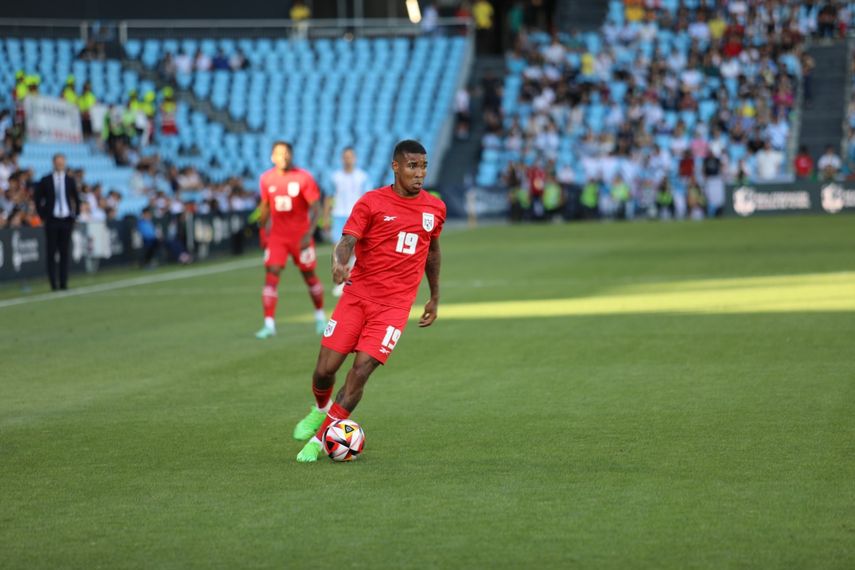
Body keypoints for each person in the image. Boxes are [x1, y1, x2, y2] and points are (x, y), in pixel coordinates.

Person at [293, 140, 445, 463]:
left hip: (393, 308)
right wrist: (338, 262)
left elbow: (432, 251)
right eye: (412, 166)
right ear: (395, 166)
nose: (419, 174)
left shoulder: (435, 208)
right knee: (324, 371)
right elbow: (348, 240)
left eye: (423, 166)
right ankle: (321, 410)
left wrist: (434, 294)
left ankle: (320, 441)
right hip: (358, 296)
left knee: (360, 371)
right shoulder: (372, 202)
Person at [255, 141, 326, 339]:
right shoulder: (266, 179)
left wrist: (309, 233)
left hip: (300, 236)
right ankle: (269, 324)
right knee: (272, 273)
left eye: (286, 153)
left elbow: (316, 207)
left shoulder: (303, 178)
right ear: (272, 157)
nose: (283, 157)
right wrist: (263, 232)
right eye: (279, 153)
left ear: (291, 155)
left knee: (309, 275)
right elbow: (265, 206)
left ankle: (320, 318)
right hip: (277, 236)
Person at [324, 147, 370, 297]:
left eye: (350, 156)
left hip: (356, 217)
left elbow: (368, 199)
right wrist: (326, 218)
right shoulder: (335, 177)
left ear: (354, 158)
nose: (348, 159)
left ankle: (347, 281)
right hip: (338, 216)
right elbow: (329, 198)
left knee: (353, 251)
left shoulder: (362, 177)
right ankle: (341, 281)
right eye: (345, 157)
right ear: (342, 159)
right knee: (338, 250)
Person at [34, 154, 79, 291]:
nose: (60, 164)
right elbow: (37, 199)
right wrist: (43, 215)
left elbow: (76, 198)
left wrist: (75, 215)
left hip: (66, 220)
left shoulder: (70, 180)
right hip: (52, 220)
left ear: (64, 163)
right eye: (57, 162)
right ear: (53, 163)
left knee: (65, 253)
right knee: (51, 253)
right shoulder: (45, 180)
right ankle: (53, 284)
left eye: (62, 162)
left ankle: (64, 283)